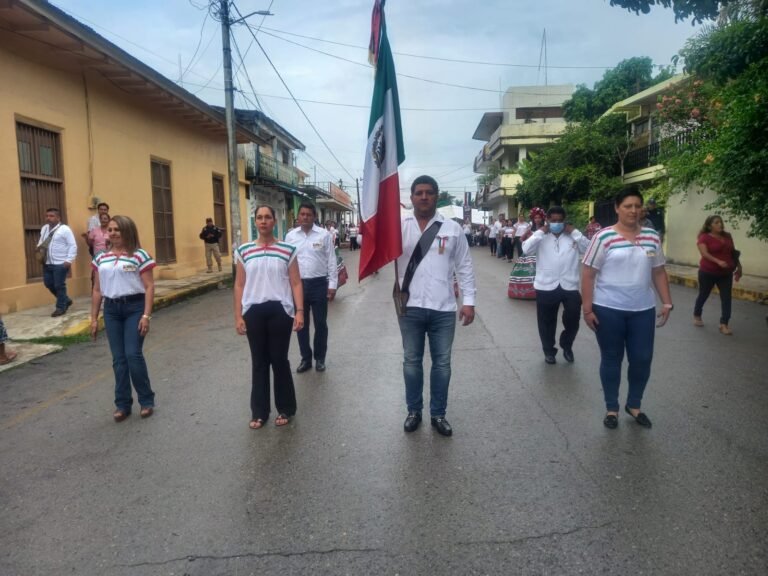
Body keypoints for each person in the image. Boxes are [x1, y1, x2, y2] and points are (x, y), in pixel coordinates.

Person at [581, 189, 673, 430]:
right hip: (608, 308)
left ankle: (634, 405)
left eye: (637, 206)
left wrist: (666, 302)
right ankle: (612, 408)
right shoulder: (603, 237)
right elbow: (588, 274)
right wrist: (587, 309)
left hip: (642, 309)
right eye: (628, 206)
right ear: (617, 208)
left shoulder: (652, 237)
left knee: (642, 359)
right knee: (612, 359)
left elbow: (658, 271)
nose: (633, 210)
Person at [398, 175, 476, 437]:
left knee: (442, 363)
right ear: (411, 197)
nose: (423, 197)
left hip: (443, 307)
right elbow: (370, 245)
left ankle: (438, 414)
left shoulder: (451, 228)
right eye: (418, 192)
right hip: (409, 306)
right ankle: (414, 411)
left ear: (436, 196)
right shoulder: (398, 225)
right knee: (411, 361)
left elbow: (465, 266)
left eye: (429, 192)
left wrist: (469, 302)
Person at [233, 205, 304, 429]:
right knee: (259, 362)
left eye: (267, 217)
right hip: (253, 311)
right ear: (255, 222)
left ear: (275, 221)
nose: (263, 221)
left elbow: (295, 282)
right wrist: (238, 316)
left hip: (280, 311)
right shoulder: (243, 251)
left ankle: (286, 408)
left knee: (279, 360)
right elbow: (239, 284)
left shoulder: (287, 249)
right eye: (259, 218)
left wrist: (299, 311)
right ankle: (259, 412)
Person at [90, 215, 157, 423]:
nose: (113, 233)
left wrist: (146, 315)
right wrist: (93, 318)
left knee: (133, 355)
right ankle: (122, 404)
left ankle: (146, 401)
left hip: (134, 308)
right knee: (118, 360)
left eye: (117, 229)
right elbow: (97, 289)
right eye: (110, 230)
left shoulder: (139, 256)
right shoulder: (101, 258)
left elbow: (149, 287)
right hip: (111, 310)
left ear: (127, 231)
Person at [523, 206, 589, 364]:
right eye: (553, 221)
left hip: (570, 285)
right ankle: (549, 351)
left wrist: (574, 232)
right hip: (546, 285)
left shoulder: (573, 236)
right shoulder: (540, 237)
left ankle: (567, 345)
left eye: (560, 221)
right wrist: (540, 231)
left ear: (565, 221)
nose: (557, 223)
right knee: (546, 321)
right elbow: (525, 249)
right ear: (547, 221)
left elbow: (589, 249)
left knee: (573, 317)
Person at [286, 203, 338, 373]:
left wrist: (332, 285)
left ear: (315, 216)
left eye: (309, 214)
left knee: (321, 324)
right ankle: (305, 358)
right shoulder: (291, 236)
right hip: (298, 285)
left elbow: (331, 259)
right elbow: (287, 262)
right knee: (301, 324)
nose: (305, 217)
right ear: (298, 216)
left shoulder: (323, 235)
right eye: (302, 214)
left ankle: (320, 358)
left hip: (319, 284)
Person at [693, 215, 742, 335]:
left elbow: (733, 253)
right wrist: (718, 261)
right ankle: (697, 314)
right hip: (708, 272)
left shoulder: (727, 236)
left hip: (726, 273)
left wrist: (739, 267)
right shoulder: (704, 238)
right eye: (716, 222)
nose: (720, 224)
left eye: (721, 222)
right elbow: (704, 254)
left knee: (726, 298)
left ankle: (724, 323)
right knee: (704, 294)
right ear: (710, 226)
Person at [37, 208, 77, 317]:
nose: (48, 218)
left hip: (60, 263)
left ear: (58, 218)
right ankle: (66, 299)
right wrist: (39, 249)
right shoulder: (44, 228)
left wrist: (69, 260)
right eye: (47, 216)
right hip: (47, 262)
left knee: (59, 285)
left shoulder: (65, 229)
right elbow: (41, 241)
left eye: (51, 216)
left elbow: (72, 245)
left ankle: (61, 307)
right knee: (48, 283)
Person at [508, 207, 545, 300]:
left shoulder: (546, 228)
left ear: (542, 218)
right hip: (530, 254)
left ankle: (543, 291)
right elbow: (521, 238)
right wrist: (529, 240)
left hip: (543, 253)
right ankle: (528, 292)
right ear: (533, 219)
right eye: (535, 218)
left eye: (539, 217)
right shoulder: (530, 228)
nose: (537, 219)